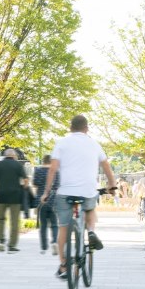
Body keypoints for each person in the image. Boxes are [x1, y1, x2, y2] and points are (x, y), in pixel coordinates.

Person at [40, 114, 117, 279]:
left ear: (70, 128)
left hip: (65, 192)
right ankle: (90, 231)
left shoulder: (61, 143)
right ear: (86, 128)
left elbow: (52, 169)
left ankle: (63, 265)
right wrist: (112, 185)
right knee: (90, 208)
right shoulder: (94, 144)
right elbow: (106, 166)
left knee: (63, 227)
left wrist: (46, 192)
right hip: (88, 190)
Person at [0, 148, 28, 253]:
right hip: (15, 197)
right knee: (14, 222)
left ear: (5, 156)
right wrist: (23, 187)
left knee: (0, 219)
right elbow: (26, 180)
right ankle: (12, 246)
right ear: (14, 156)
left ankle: (1, 241)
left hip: (1, 196)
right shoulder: (18, 165)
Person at [33, 154, 59, 256]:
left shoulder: (38, 171)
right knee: (54, 225)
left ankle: (44, 247)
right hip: (53, 201)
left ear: (43, 161)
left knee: (43, 225)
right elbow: (58, 186)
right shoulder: (56, 171)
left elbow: (35, 184)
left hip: (41, 202)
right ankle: (54, 242)